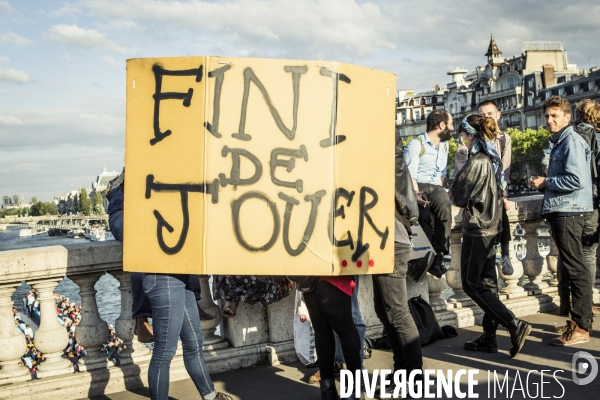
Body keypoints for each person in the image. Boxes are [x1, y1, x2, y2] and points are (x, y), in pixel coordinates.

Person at [106, 172, 231, 400]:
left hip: (179, 278)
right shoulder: (142, 190)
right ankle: (140, 318)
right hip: (162, 277)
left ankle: (211, 396)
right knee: (165, 352)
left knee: (194, 343)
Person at [450, 115, 531, 357]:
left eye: (463, 134)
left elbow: (457, 195)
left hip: (478, 228)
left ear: (471, 135)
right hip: (493, 226)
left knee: (471, 283)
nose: (461, 139)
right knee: (488, 284)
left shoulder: (478, 161)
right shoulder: (492, 159)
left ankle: (513, 323)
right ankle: (489, 336)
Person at [531, 96, 595, 346]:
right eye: (547, 116)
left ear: (567, 118)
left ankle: (581, 326)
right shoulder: (561, 142)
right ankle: (578, 321)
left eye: (555, 115)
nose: (549, 120)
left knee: (576, 269)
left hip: (569, 211)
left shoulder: (571, 142)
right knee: (572, 268)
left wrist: (546, 182)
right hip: (564, 209)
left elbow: (576, 180)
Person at [371, 131, 424, 398]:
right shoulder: (394, 161)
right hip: (386, 241)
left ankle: (413, 377)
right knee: (385, 311)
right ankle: (402, 371)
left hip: (390, 242)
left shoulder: (387, 163)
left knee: (397, 313)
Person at [553, 99, 600, 320]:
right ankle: (586, 304)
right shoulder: (595, 136)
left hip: (570, 200)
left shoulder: (568, 135)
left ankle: (565, 302)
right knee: (588, 253)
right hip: (591, 198)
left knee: (568, 253)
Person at [457, 101, 514, 275]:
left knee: (500, 209)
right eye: (482, 115)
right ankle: (503, 254)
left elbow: (505, 170)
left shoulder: (504, 139)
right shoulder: (468, 140)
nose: (486, 118)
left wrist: (504, 195)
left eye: (489, 114)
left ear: (498, 115)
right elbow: (461, 172)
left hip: (494, 191)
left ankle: (505, 252)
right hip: (477, 194)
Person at [404, 109, 454, 278]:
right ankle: (427, 256)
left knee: (445, 207)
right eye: (450, 124)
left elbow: (442, 174)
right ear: (441, 125)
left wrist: (440, 194)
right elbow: (410, 174)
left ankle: (439, 256)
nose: (452, 128)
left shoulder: (445, 146)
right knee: (423, 214)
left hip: (435, 186)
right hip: (418, 185)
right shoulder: (416, 144)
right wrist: (416, 194)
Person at [304, 276, 362, 399]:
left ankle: (328, 390)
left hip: (308, 274)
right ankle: (354, 390)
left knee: (322, 331)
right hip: (329, 270)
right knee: (343, 329)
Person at [212, 275, 292, 318]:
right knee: (263, 297)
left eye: (226, 310)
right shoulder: (245, 297)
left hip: (237, 271)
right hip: (248, 279)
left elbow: (218, 277)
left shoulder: (219, 293)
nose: (229, 308)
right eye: (231, 310)